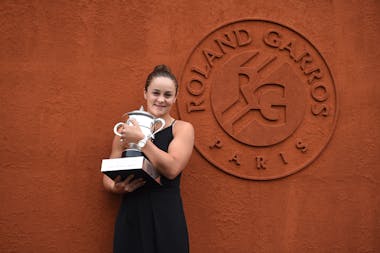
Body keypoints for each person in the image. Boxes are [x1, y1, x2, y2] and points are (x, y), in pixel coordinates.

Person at [103, 64, 194, 253]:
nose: (161, 99)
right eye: (155, 93)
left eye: (168, 95)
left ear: (175, 98)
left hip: (167, 215)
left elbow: (171, 168)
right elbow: (108, 176)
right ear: (145, 93)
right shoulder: (126, 129)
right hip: (132, 213)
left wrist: (141, 141)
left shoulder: (182, 128)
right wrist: (116, 187)